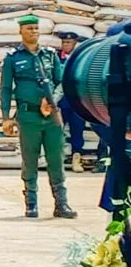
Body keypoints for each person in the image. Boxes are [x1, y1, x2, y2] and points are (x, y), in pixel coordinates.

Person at [1, 15, 76, 219]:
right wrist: (6, 117)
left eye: (36, 28)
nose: (33, 32)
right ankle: (31, 203)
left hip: (51, 117)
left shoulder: (49, 55)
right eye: (29, 28)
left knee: (56, 159)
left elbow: (61, 83)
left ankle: (61, 204)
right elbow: (6, 89)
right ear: (21, 31)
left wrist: (52, 101)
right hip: (28, 116)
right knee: (30, 160)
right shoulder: (13, 58)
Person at [57, 32, 92, 173]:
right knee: (57, 131)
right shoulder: (56, 58)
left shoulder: (80, 58)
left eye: (69, 43)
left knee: (77, 129)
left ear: (75, 44)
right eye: (64, 42)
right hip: (62, 100)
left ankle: (76, 158)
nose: (66, 45)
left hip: (77, 101)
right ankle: (57, 158)